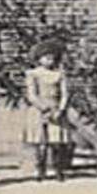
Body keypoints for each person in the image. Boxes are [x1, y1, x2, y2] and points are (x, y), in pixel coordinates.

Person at [24, 40, 71, 181]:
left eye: (52, 58)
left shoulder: (60, 74)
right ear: (39, 59)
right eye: (46, 57)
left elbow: (65, 94)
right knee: (40, 142)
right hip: (39, 110)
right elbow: (31, 95)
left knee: (56, 141)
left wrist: (60, 109)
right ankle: (40, 169)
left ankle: (58, 169)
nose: (49, 61)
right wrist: (44, 109)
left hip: (56, 108)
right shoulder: (33, 74)